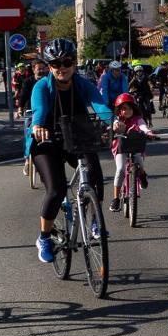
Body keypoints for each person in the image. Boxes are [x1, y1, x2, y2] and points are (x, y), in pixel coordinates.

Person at [29, 38, 113, 263]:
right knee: (56, 189)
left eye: (66, 62)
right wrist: (37, 127)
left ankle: (94, 220)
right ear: (49, 66)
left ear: (74, 63)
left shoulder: (82, 84)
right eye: (56, 64)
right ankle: (44, 237)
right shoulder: (42, 86)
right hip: (46, 141)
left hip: (77, 136)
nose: (62, 68)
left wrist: (111, 121)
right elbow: (39, 109)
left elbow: (100, 105)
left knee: (94, 174)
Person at [108, 92, 159, 212]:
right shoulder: (117, 120)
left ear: (134, 108)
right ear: (119, 110)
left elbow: (143, 127)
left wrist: (149, 133)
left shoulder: (138, 119)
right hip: (120, 147)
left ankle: (141, 174)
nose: (127, 111)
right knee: (120, 169)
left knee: (139, 161)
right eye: (124, 109)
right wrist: (114, 128)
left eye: (130, 108)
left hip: (135, 146)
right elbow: (114, 126)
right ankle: (116, 199)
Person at [17, 60, 48, 175]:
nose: (41, 71)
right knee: (28, 133)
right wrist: (20, 108)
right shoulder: (28, 81)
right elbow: (23, 95)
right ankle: (27, 159)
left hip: (47, 111)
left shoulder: (50, 81)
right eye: (38, 69)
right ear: (34, 69)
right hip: (31, 111)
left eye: (43, 68)